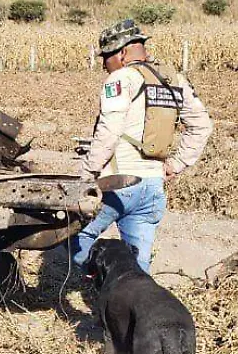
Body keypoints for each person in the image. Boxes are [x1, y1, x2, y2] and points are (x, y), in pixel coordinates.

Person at [69, 19, 213, 274]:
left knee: (73, 237)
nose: (104, 65)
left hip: (117, 183)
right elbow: (202, 125)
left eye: (106, 57)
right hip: (152, 188)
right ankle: (127, 300)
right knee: (139, 269)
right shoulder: (173, 79)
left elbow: (109, 130)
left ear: (122, 52)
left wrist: (88, 174)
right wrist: (176, 164)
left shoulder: (122, 78)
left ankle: (103, 286)